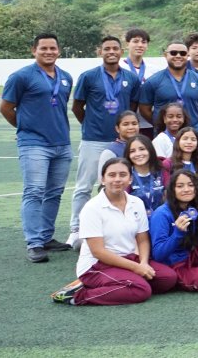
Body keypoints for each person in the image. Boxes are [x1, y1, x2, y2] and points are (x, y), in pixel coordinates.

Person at [49, 158, 178, 306]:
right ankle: (76, 295)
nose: (117, 179)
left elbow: (142, 239)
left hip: (129, 259)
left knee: (168, 278)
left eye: (123, 175)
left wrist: (143, 263)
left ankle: (123, 283)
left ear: (130, 179)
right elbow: (98, 252)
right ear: (103, 179)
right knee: (141, 290)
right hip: (97, 266)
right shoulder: (92, 208)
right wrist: (137, 268)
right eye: (112, 175)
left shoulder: (136, 203)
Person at [69, 35, 142, 248]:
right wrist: (91, 125)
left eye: (115, 48)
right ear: (99, 51)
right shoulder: (88, 76)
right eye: (107, 48)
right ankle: (76, 229)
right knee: (85, 185)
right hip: (94, 139)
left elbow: (133, 106)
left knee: (121, 184)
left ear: (121, 51)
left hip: (122, 141)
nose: (111, 51)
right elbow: (77, 106)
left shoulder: (130, 77)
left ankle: (111, 229)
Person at [138, 42, 198, 134]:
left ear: (187, 55)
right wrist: (160, 123)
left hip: (192, 135)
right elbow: (144, 109)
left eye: (182, 53)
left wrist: (188, 120)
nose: (178, 56)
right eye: (173, 53)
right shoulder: (153, 81)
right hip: (164, 134)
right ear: (165, 55)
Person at [124, 135, 165, 216]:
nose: (138, 154)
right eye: (132, 151)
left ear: (150, 150)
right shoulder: (125, 175)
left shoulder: (162, 170)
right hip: (135, 221)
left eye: (142, 149)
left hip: (160, 220)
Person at [123, 28, 153, 137]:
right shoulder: (119, 68)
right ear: (127, 44)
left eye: (143, 42)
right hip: (125, 124)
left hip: (148, 124)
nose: (140, 45)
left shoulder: (154, 70)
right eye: (135, 41)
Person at [97, 110, 142, 175]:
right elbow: (103, 180)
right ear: (117, 128)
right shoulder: (110, 152)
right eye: (125, 124)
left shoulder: (145, 147)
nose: (131, 127)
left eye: (134, 124)